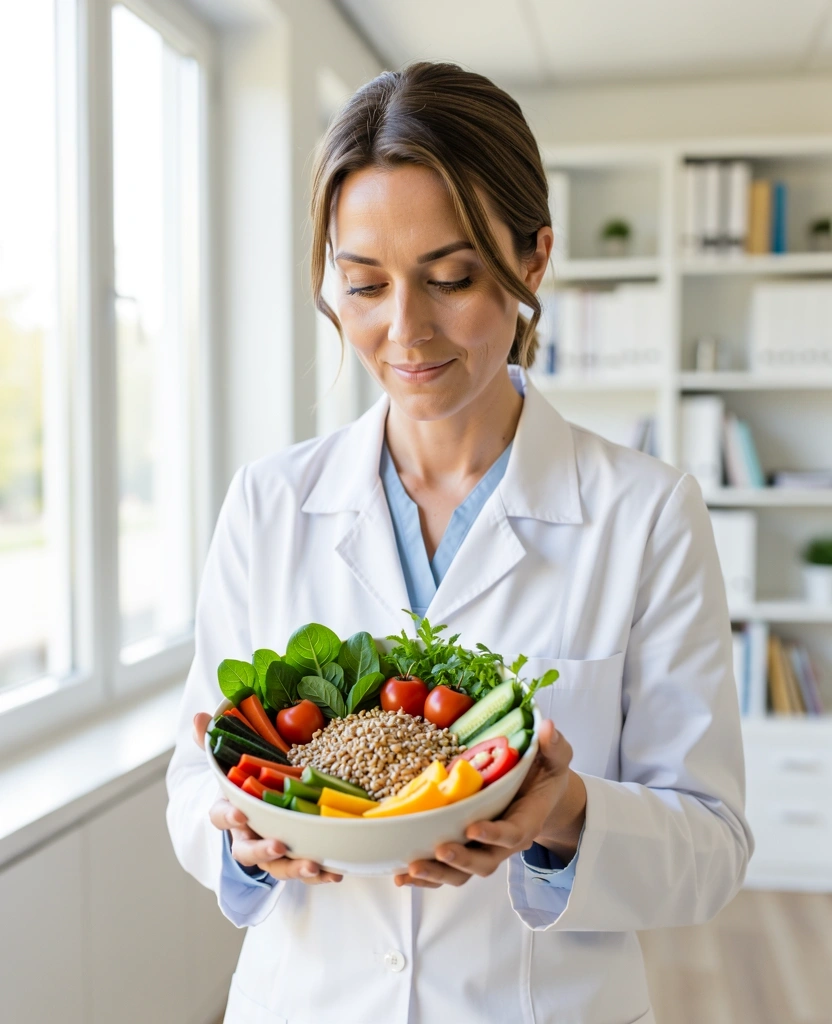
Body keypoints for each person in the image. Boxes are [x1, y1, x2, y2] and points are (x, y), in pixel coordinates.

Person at [166, 61, 752, 1024]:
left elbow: (713, 846)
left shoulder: (644, 512)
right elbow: (198, 777)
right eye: (363, 285)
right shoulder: (270, 505)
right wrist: (241, 838)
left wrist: (563, 817)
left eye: (452, 278)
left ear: (533, 260)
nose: (406, 331)